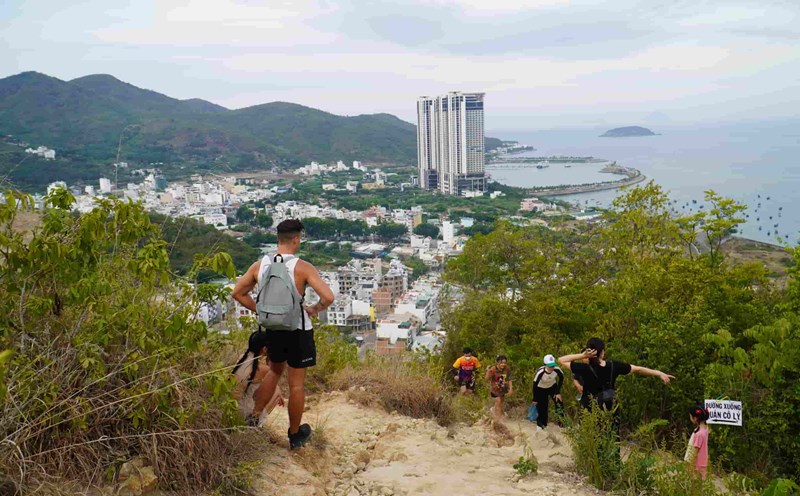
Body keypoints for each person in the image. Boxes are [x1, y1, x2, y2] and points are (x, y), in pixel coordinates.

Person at [231, 219, 335, 449]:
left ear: (278, 239)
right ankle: (295, 435)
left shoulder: (260, 265)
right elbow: (328, 297)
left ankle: (253, 418)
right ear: (296, 239)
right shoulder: (303, 267)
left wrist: (262, 311)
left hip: (273, 329)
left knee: (275, 371)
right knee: (296, 384)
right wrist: (314, 310)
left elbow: (237, 293)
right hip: (298, 330)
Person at [558, 337, 674, 411]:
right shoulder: (614, 366)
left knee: (593, 441)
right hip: (610, 407)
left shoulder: (584, 368)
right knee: (612, 438)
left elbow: (561, 360)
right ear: (602, 352)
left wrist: (582, 356)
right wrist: (658, 373)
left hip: (590, 409)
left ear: (589, 352)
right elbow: (637, 369)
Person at [231, 330, 284, 424]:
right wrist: (269, 357)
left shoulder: (242, 357)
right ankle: (255, 419)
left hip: (231, 407)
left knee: (259, 386)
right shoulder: (263, 369)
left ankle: (253, 417)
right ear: (264, 349)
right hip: (241, 412)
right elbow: (272, 381)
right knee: (277, 391)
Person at [532, 354, 564, 430]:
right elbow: (535, 385)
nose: (551, 368)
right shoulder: (540, 372)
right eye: (549, 366)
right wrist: (535, 399)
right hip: (541, 388)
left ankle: (562, 423)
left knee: (559, 403)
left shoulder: (557, 369)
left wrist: (558, 392)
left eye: (553, 365)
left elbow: (561, 378)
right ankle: (541, 425)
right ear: (545, 365)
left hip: (552, 386)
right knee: (543, 406)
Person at [684, 404, 710, 479]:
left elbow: (695, 451)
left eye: (690, 417)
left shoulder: (699, 434)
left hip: (696, 465)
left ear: (695, 418)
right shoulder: (705, 429)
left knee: (694, 485)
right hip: (702, 463)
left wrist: (689, 465)